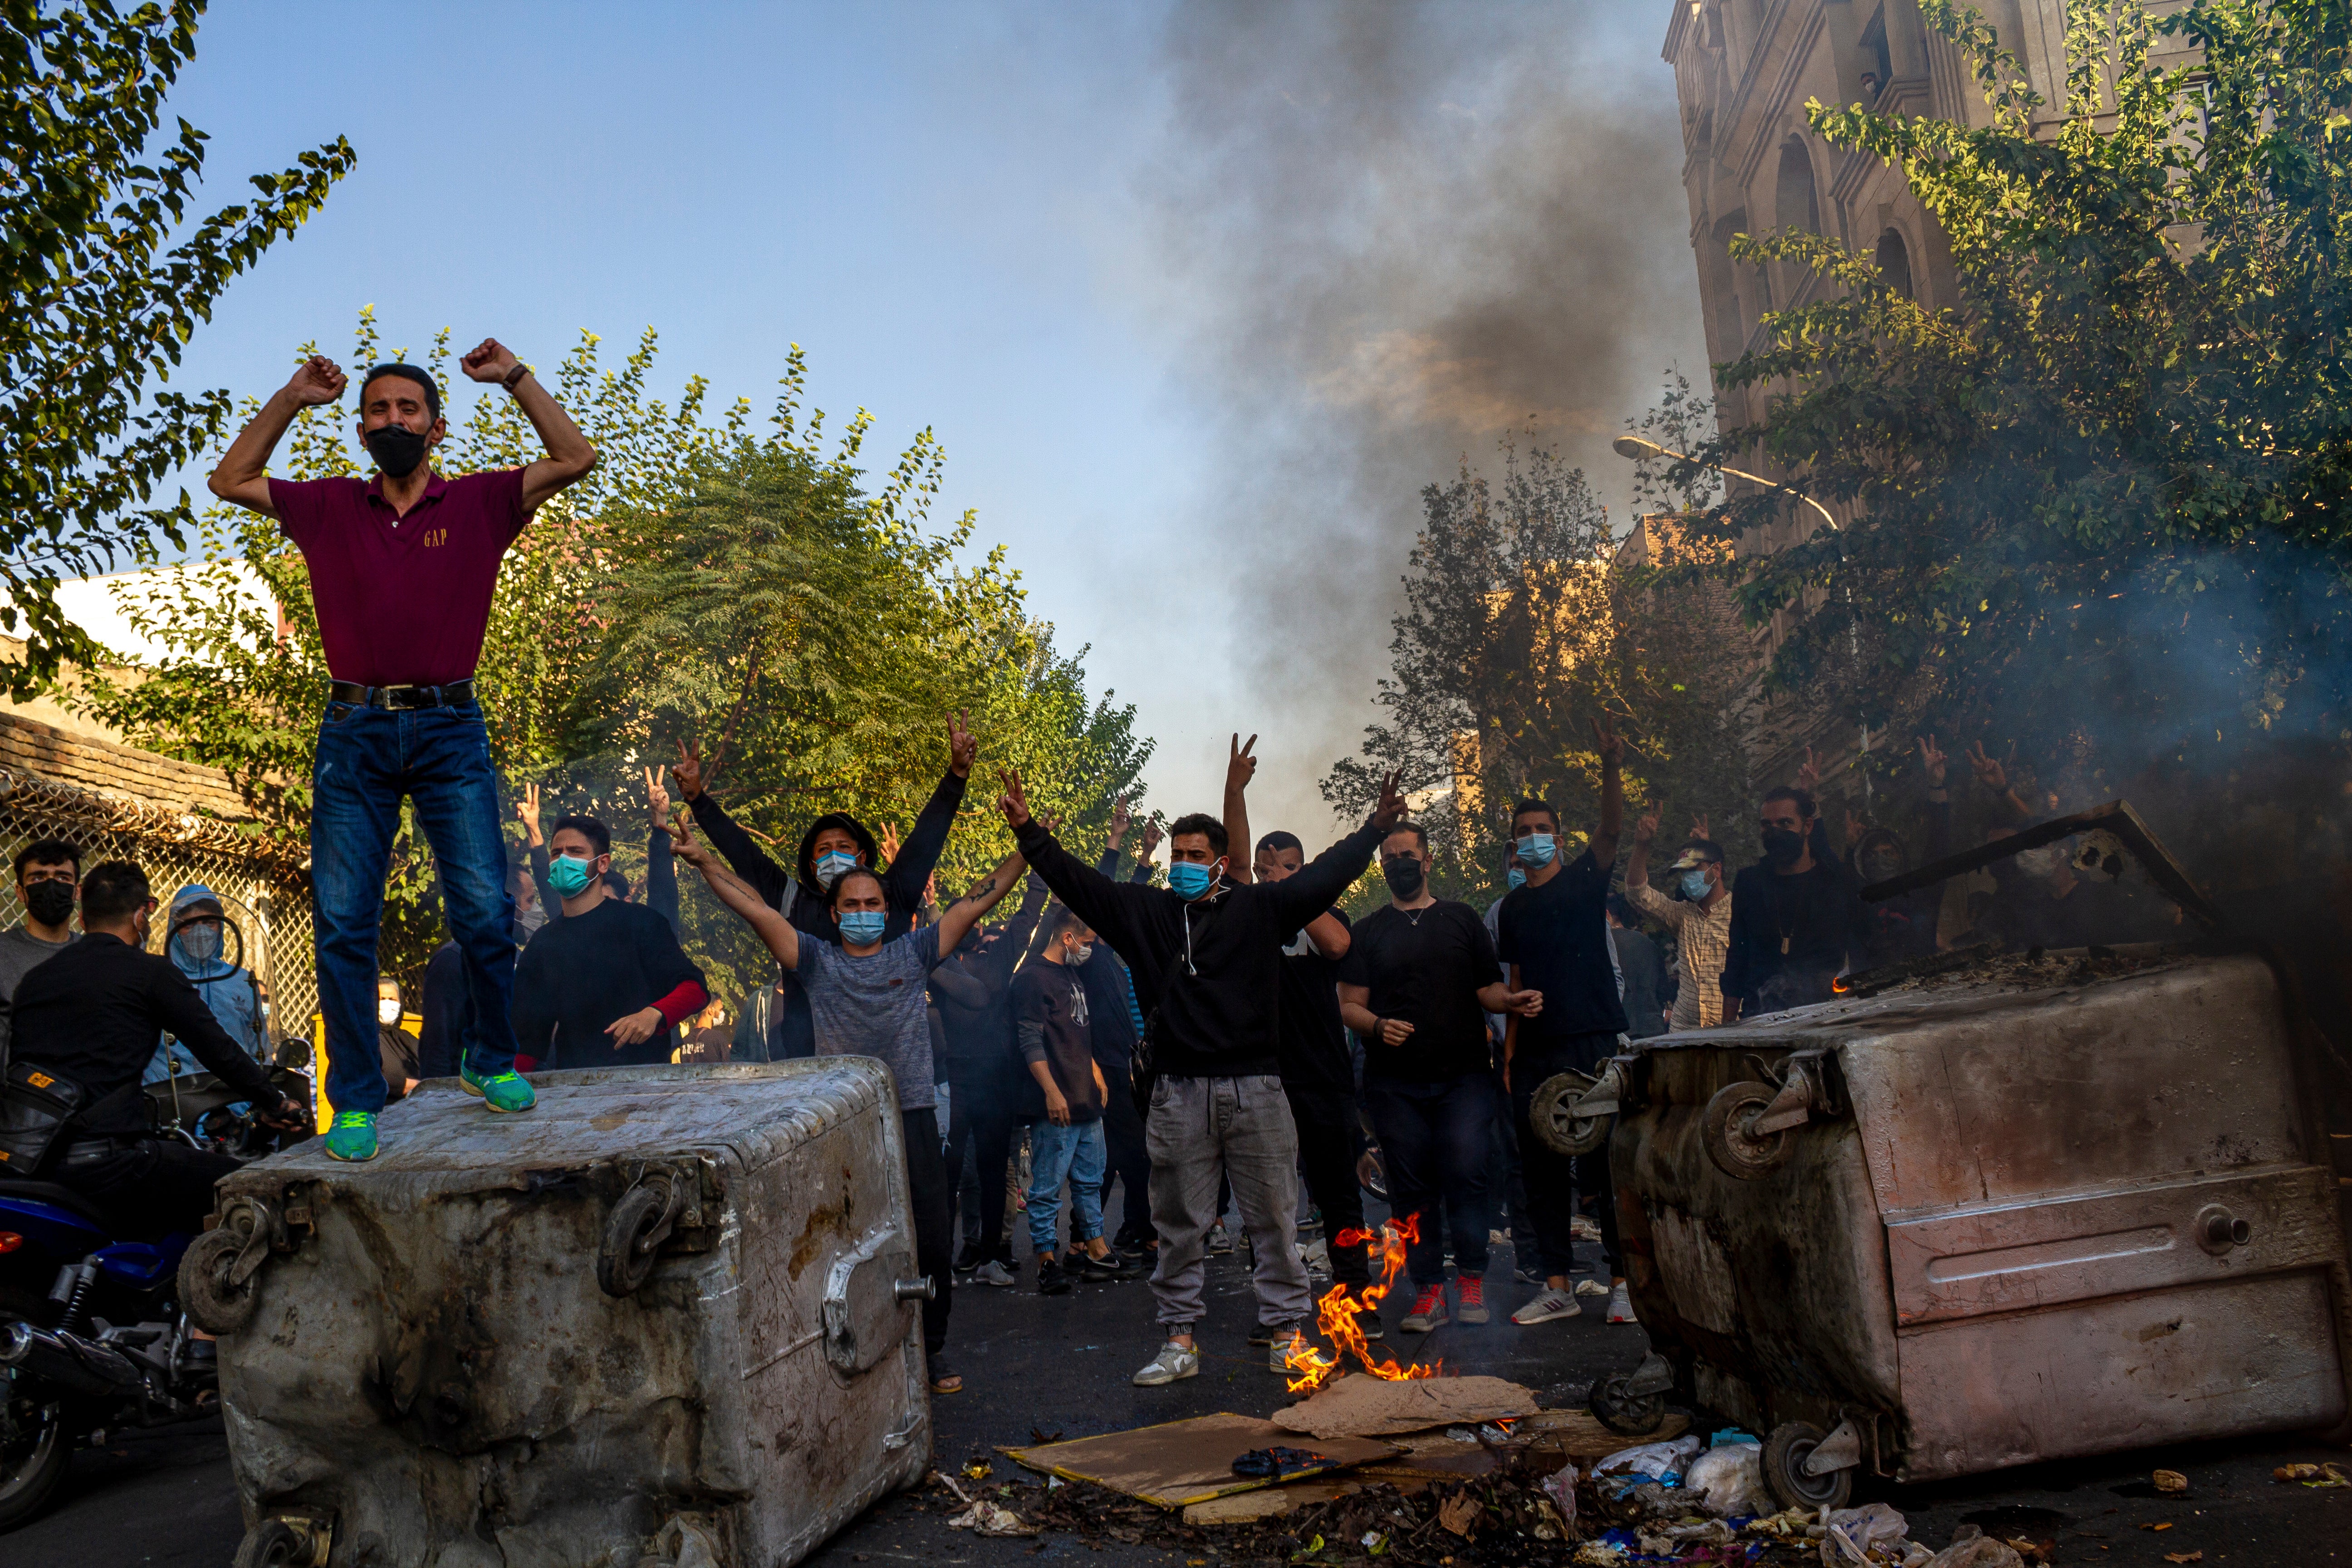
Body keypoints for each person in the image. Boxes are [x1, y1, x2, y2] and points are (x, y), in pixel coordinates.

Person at [207, 343, 598, 1160]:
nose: (393, 421)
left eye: (407, 410)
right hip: (354, 733)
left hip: (452, 728)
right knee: (345, 922)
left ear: (437, 427)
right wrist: (289, 397)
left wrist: (516, 378)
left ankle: (488, 1060)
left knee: (486, 912)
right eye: (378, 411)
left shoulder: (483, 502)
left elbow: (575, 456)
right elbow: (230, 478)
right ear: (360, 427)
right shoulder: (327, 507)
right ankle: (354, 1100)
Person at [998, 756, 1410, 1387]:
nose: (1184, 864)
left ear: (1221, 863)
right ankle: (1179, 1339)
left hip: (1259, 1090)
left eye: (1197, 854)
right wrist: (1030, 833)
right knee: (1180, 1225)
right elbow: (1080, 883)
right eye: (1178, 855)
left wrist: (1375, 830)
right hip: (1177, 1093)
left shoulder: (1261, 909)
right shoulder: (1149, 914)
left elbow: (1325, 877)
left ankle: (1286, 1335)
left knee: (1273, 1217)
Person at [672, 813, 1029, 1398]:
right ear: (834, 913)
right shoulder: (814, 960)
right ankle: (850, 1348)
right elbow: (758, 910)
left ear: (887, 913)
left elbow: (973, 904)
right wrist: (706, 861)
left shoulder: (913, 954)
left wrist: (1029, 848)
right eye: (852, 904)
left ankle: (930, 1350)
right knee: (844, 1240)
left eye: (873, 902)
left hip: (911, 1114)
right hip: (844, 1121)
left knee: (933, 1241)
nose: (863, 911)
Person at [5, 861, 304, 1236]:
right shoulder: (149, 973)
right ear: (140, 917)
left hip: (34, 1160)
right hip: (114, 1162)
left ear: (83, 918)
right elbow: (219, 1051)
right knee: (257, 1187)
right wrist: (276, 1103)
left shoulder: (35, 981)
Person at [669, 716, 977, 1060]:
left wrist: (956, 777)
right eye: (824, 849)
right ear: (813, 866)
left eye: (844, 848)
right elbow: (744, 854)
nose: (835, 855)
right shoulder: (791, 899)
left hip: (891, 1063)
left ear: (862, 857)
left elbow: (925, 840)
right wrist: (698, 799)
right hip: (812, 1064)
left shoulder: (892, 894)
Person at [1338, 819, 1542, 1335]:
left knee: (1468, 1171)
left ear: (1427, 861)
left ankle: (1471, 1278)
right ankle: (1429, 1290)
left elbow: (1487, 989)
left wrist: (1511, 1000)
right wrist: (1380, 1026)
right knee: (1411, 1186)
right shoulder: (1368, 931)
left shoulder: (1461, 919)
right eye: (1390, 857)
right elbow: (1349, 1007)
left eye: (1407, 855)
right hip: (1394, 1085)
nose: (1398, 864)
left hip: (1464, 1079)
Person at [1220, 740, 1377, 1327]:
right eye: (1264, 871)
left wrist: (1297, 892)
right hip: (1262, 1082)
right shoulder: (1246, 914)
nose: (1268, 879)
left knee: (1338, 1195)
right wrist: (1235, 792)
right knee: (1268, 1205)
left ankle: (1357, 1302)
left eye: (1282, 870)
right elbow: (1235, 865)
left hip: (1321, 1082)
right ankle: (1281, 1314)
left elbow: (1338, 945)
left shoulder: (1318, 920)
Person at [1496, 720, 1631, 1327]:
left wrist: (1609, 767)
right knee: (1542, 1170)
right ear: (1514, 845)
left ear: (1557, 836)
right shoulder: (1512, 909)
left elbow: (1611, 830)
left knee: (1605, 1166)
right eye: (1523, 833)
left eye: (1542, 830)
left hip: (1593, 1040)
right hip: (1536, 1053)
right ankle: (1556, 1284)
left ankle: (1625, 1282)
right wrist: (1508, 1058)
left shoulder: (1583, 881)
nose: (1533, 839)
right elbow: (1518, 980)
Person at [510, 816, 710, 1068]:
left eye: (575, 852)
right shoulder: (542, 944)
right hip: (573, 1090)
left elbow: (695, 989)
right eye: (556, 853)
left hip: (645, 1086)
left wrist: (654, 1015)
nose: (563, 861)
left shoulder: (642, 923)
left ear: (602, 863)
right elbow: (526, 1042)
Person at [933, 873, 1049, 1285]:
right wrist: (924, 901)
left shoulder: (1002, 958)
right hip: (953, 1083)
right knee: (947, 1174)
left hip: (997, 1081)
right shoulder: (939, 962)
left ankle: (990, 1259)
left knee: (994, 1169)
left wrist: (1036, 863)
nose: (973, 925)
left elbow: (1028, 914)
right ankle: (940, 1262)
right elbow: (928, 933)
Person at [1014, 905, 1132, 1292]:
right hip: (1057, 1104)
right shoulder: (1033, 979)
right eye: (1085, 942)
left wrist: (1095, 1068)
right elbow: (1030, 1040)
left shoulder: (1072, 973)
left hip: (1086, 1100)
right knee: (1047, 1187)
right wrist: (1051, 1091)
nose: (1089, 949)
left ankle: (1097, 1249)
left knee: (1089, 1180)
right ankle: (1047, 1260)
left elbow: (1078, 1031)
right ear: (1067, 938)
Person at [1720, 784, 1869, 1018]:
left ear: (1807, 826)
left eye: (1785, 823)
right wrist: (1727, 1024)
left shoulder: (1835, 882)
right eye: (1766, 825)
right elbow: (1738, 954)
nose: (1774, 831)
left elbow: (1862, 946)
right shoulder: (1749, 882)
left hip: (1826, 1012)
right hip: (1759, 1013)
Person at [146, 885, 270, 1084]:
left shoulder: (243, 982)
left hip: (235, 1099)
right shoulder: (157, 979)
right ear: (174, 929)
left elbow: (259, 1050)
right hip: (175, 1099)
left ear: (221, 926)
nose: (201, 931)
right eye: (190, 924)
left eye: (209, 922)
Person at [1622, 813, 1735, 1030]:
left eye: (1693, 870)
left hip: (1733, 1029)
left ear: (1717, 870)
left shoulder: (1741, 913)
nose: (1687, 878)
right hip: (1684, 1030)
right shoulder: (1683, 916)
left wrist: (1707, 846)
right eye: (1684, 873)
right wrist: (1642, 845)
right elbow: (1638, 893)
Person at [0, 839, 81, 1063]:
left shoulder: (95, 955)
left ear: (77, 891)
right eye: (38, 877)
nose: (51, 885)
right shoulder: (3, 952)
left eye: (63, 877)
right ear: (20, 892)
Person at [1607, 894, 1669, 1039]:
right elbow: (1663, 990)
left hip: (1621, 1034)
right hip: (1654, 1031)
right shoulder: (1648, 943)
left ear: (1606, 914)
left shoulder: (1602, 945)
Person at [377, 977, 421, 1103]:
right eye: (381, 999)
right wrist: (409, 1085)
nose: (387, 1004)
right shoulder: (366, 1039)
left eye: (392, 999)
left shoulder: (409, 1039)